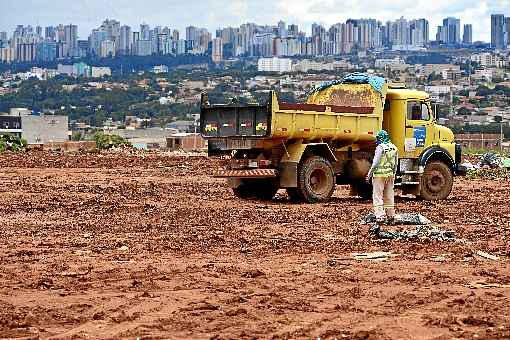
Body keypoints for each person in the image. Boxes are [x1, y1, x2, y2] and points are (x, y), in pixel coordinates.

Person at [366, 130, 398, 224]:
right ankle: (391, 216)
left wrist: (369, 174)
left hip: (379, 175)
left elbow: (375, 163)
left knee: (377, 196)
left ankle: (380, 217)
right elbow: (395, 164)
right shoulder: (393, 147)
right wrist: (394, 174)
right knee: (389, 195)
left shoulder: (380, 147)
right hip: (390, 175)